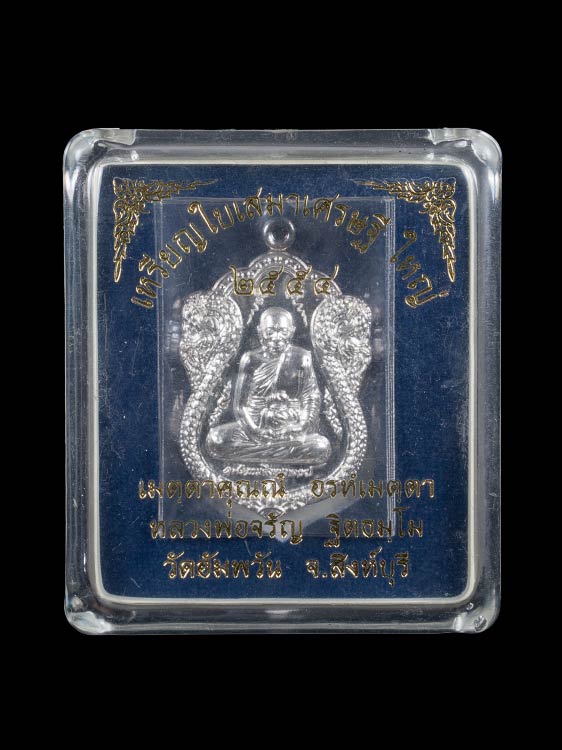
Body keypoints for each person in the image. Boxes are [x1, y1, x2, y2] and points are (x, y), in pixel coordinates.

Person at [206, 307, 331, 465]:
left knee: (321, 446)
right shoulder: (251, 359)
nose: (276, 338)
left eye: (283, 332)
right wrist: (256, 431)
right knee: (216, 439)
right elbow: (240, 406)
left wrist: (301, 425)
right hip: (253, 427)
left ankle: (260, 453)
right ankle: (280, 453)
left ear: (291, 332)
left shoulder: (301, 357)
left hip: (290, 428)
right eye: (270, 332)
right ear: (260, 332)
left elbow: (310, 396)